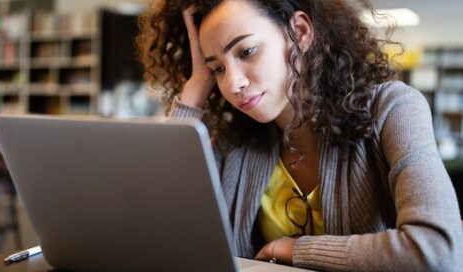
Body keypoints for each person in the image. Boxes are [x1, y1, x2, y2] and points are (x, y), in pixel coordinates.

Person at [136, 0, 463, 271]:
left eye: (246, 51)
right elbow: (152, 230)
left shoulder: (392, 108)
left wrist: (293, 249)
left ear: (300, 31)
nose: (232, 83)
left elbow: (437, 250)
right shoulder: (234, 141)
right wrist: (194, 91)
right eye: (218, 68)